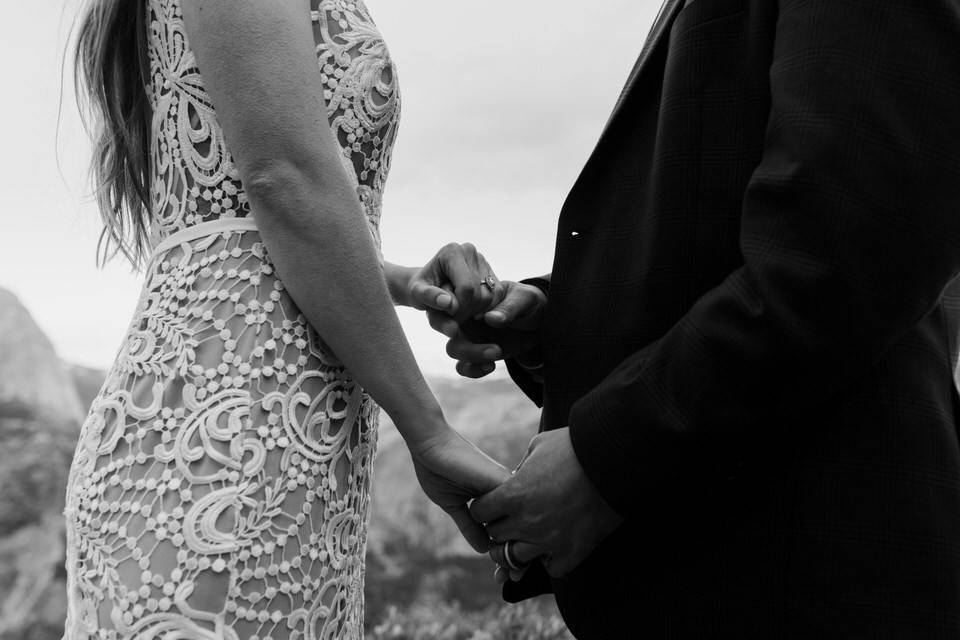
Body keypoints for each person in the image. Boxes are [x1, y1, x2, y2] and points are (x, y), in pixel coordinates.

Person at [425, 0, 960, 637]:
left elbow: (849, 248)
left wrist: (605, 457)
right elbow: (716, 242)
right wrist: (552, 324)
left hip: (806, 581)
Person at [63, 1, 510, 638]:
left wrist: (401, 282)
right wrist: (428, 429)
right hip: (215, 448)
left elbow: (240, 219)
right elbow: (284, 180)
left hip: (301, 453)